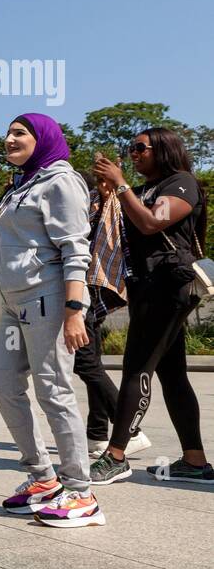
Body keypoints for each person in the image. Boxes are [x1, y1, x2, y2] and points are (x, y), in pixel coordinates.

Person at [0, 114, 103, 526]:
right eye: (7, 133)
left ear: (43, 138)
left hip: (48, 299)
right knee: (3, 385)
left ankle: (80, 492)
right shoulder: (23, 184)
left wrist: (74, 311)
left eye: (19, 133)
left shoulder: (60, 182)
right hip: (15, 306)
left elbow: (75, 250)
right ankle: (43, 477)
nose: (9, 139)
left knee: (53, 390)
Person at [89, 129, 211, 484]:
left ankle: (116, 455)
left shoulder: (181, 181)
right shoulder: (139, 190)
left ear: (163, 149)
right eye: (131, 149)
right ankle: (195, 461)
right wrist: (108, 194)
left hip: (169, 284)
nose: (134, 153)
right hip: (145, 286)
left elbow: (152, 221)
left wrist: (122, 185)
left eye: (140, 148)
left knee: (136, 366)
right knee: (172, 375)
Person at [77, 170, 141, 459]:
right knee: (93, 362)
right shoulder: (91, 204)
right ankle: (97, 433)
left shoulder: (97, 205)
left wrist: (105, 193)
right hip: (92, 287)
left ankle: (130, 431)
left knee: (84, 360)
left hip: (88, 287)